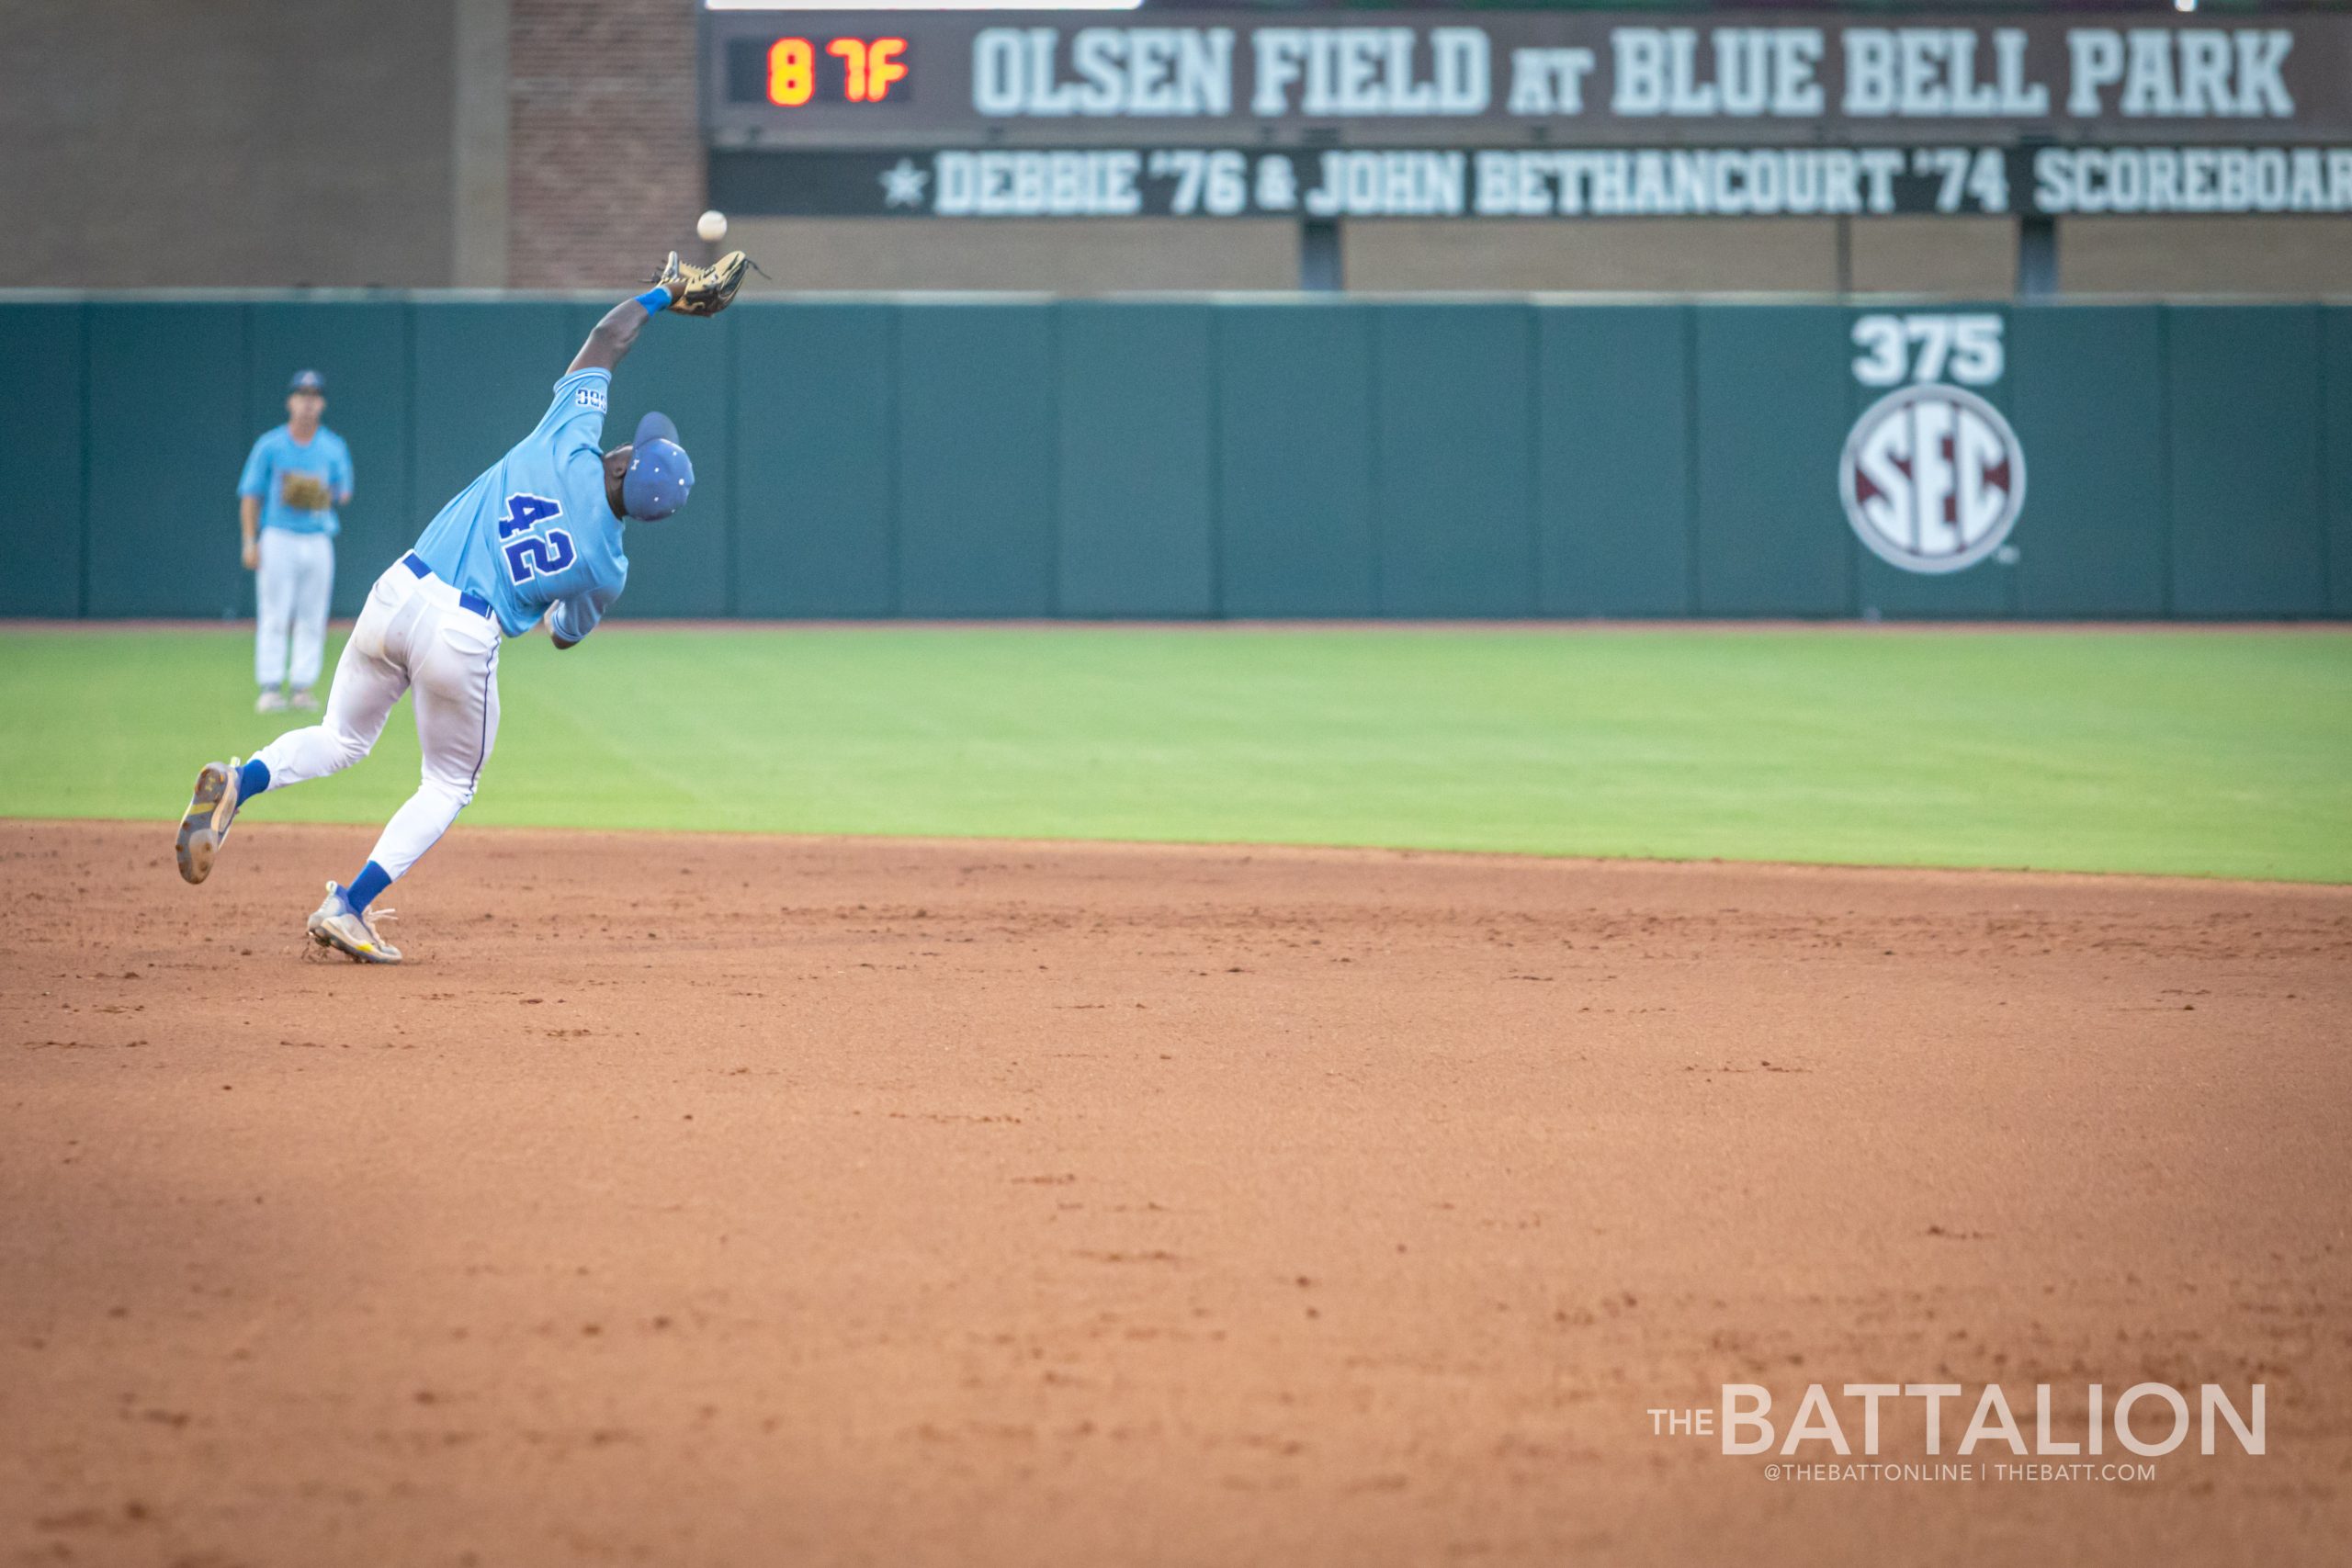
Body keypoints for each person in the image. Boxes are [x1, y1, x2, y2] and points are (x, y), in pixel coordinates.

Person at [173, 252, 748, 964]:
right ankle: (347, 905)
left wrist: (663, 294)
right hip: (464, 633)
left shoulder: (565, 438)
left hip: (399, 590)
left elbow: (607, 338)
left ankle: (241, 780)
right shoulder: (609, 565)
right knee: (448, 783)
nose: (633, 440)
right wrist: (547, 604)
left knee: (340, 737)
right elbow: (565, 635)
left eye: (639, 445)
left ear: (626, 466)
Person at [239, 369, 354, 712]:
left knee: (312, 615)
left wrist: (315, 490)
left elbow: (343, 492)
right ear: (291, 401)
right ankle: (270, 685)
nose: (308, 403)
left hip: (318, 537)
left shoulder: (332, 447)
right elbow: (250, 495)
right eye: (302, 396)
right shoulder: (270, 446)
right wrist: (249, 540)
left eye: (314, 396)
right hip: (278, 536)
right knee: (274, 613)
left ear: (321, 403)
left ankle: (302, 686)